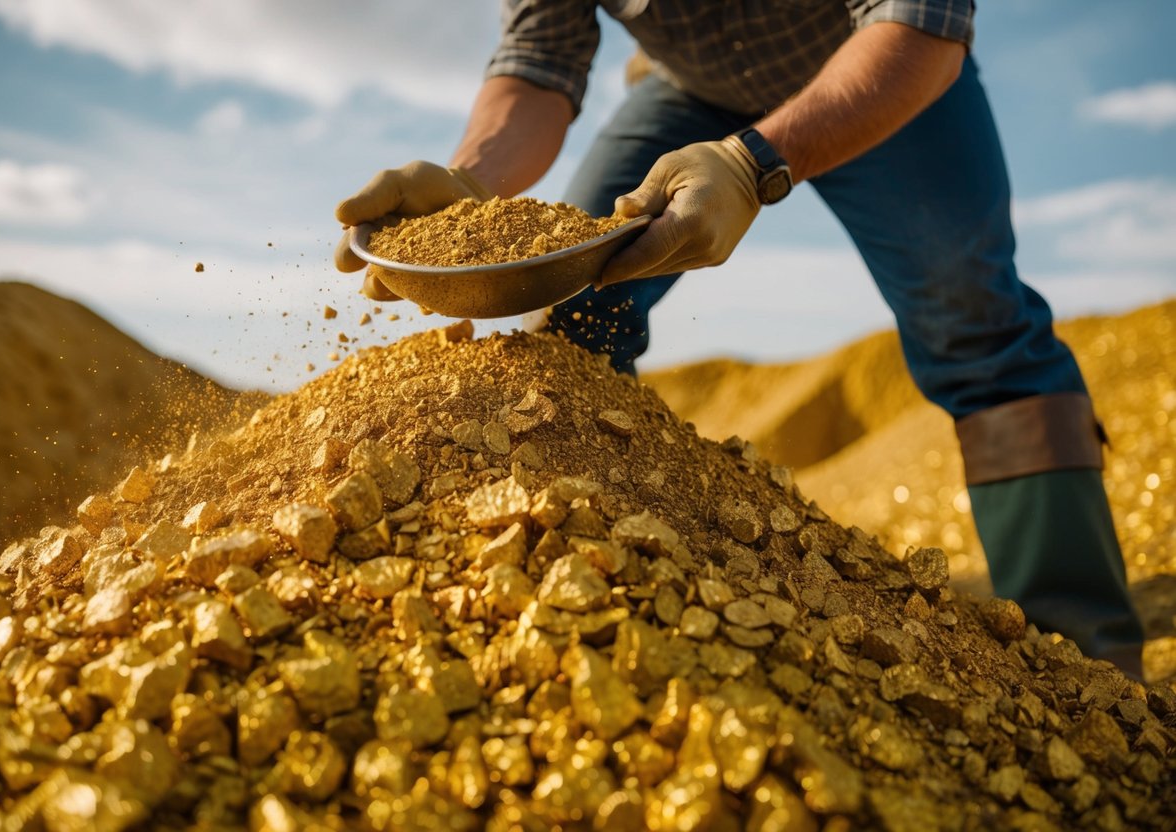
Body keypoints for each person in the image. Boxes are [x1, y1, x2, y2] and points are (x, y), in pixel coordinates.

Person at [334, 1, 1145, 677]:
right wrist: (471, 186)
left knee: (974, 318)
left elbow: (918, 20)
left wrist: (750, 163)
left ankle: (1083, 661)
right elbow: (538, 61)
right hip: (689, 92)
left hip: (880, 63)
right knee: (576, 311)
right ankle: (596, 608)